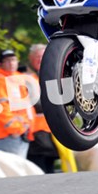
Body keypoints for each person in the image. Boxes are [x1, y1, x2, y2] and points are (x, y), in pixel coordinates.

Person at [0, 49, 36, 158]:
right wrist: (15, 128)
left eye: (13, 60)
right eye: (7, 61)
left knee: (20, 168)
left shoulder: (18, 78)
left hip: (20, 132)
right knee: (14, 170)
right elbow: (0, 108)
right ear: (0, 64)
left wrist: (27, 125)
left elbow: (25, 106)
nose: (11, 63)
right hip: (9, 133)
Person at [23, 43, 59, 173]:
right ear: (31, 58)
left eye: (43, 56)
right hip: (36, 134)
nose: (40, 59)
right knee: (39, 170)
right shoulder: (26, 78)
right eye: (37, 56)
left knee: (50, 169)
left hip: (52, 132)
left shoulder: (51, 74)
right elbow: (35, 104)